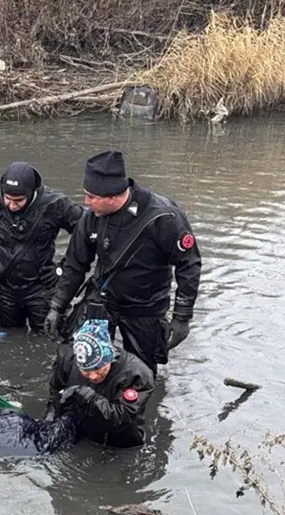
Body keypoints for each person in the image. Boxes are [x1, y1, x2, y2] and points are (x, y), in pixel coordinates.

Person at [44, 150, 202, 375]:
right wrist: (57, 307)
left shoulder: (164, 218)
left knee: (141, 372)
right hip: (104, 298)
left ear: (111, 197)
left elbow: (189, 265)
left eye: (91, 197)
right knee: (84, 361)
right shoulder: (91, 218)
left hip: (146, 305)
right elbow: (75, 265)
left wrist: (182, 317)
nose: (86, 202)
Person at [0, 161, 85, 331]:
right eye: (7, 198)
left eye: (18, 200)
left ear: (31, 193)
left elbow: (85, 230)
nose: (12, 205)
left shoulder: (55, 205)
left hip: (41, 288)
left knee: (49, 337)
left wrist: (62, 268)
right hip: (3, 287)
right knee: (4, 336)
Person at [44, 319, 155, 448]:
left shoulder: (137, 374)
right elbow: (55, 390)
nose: (93, 376)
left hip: (120, 443)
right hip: (82, 433)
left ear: (109, 358)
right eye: (85, 370)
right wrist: (51, 415)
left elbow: (121, 418)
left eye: (98, 369)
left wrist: (87, 396)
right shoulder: (68, 359)